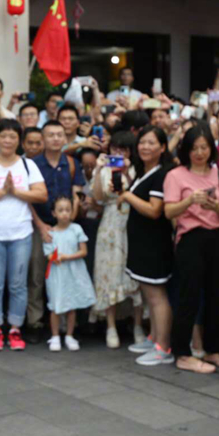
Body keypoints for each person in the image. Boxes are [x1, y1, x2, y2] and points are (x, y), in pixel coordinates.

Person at [0, 119, 47, 351]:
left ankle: (14, 328)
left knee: (18, 284)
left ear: (19, 140)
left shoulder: (27, 164)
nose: (8, 140)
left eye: (13, 136)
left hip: (20, 233)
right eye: (3, 136)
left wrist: (16, 191)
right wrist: (3, 191)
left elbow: (41, 194)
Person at [164, 126, 219, 374]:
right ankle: (182, 353)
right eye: (194, 148)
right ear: (186, 150)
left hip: (217, 237)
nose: (199, 153)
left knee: (216, 295)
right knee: (188, 296)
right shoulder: (175, 175)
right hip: (190, 238)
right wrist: (190, 200)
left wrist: (215, 206)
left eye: (204, 147)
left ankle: (213, 349)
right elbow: (168, 211)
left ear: (211, 149)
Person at [120, 125, 175, 366]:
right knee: (148, 293)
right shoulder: (144, 171)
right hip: (141, 241)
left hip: (155, 242)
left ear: (162, 147)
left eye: (151, 143)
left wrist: (127, 195)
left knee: (157, 296)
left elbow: (154, 210)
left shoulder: (162, 174)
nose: (145, 147)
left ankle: (164, 347)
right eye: (142, 142)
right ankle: (154, 338)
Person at [26, 121, 84, 344]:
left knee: (65, 276)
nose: (56, 139)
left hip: (66, 228)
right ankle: (35, 321)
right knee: (37, 275)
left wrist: (69, 223)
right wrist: (40, 225)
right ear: (43, 139)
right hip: (39, 225)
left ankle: (63, 325)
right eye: (50, 135)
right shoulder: (32, 164)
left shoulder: (72, 163)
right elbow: (27, 199)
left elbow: (76, 195)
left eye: (60, 135)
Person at [90, 130, 144, 349]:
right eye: (115, 149)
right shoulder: (104, 168)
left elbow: (139, 193)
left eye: (123, 149)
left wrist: (127, 174)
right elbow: (98, 198)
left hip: (134, 221)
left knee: (135, 275)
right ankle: (110, 326)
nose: (118, 153)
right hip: (111, 222)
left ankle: (138, 324)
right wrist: (98, 170)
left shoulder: (137, 169)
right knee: (108, 273)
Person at [44, 197, 96, 352]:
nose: (65, 213)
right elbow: (48, 254)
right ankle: (55, 336)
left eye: (68, 210)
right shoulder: (50, 233)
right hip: (57, 273)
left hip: (74, 271)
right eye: (60, 210)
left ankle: (69, 335)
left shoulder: (76, 229)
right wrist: (54, 257)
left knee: (71, 305)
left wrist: (67, 256)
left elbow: (83, 251)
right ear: (54, 213)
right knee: (56, 305)